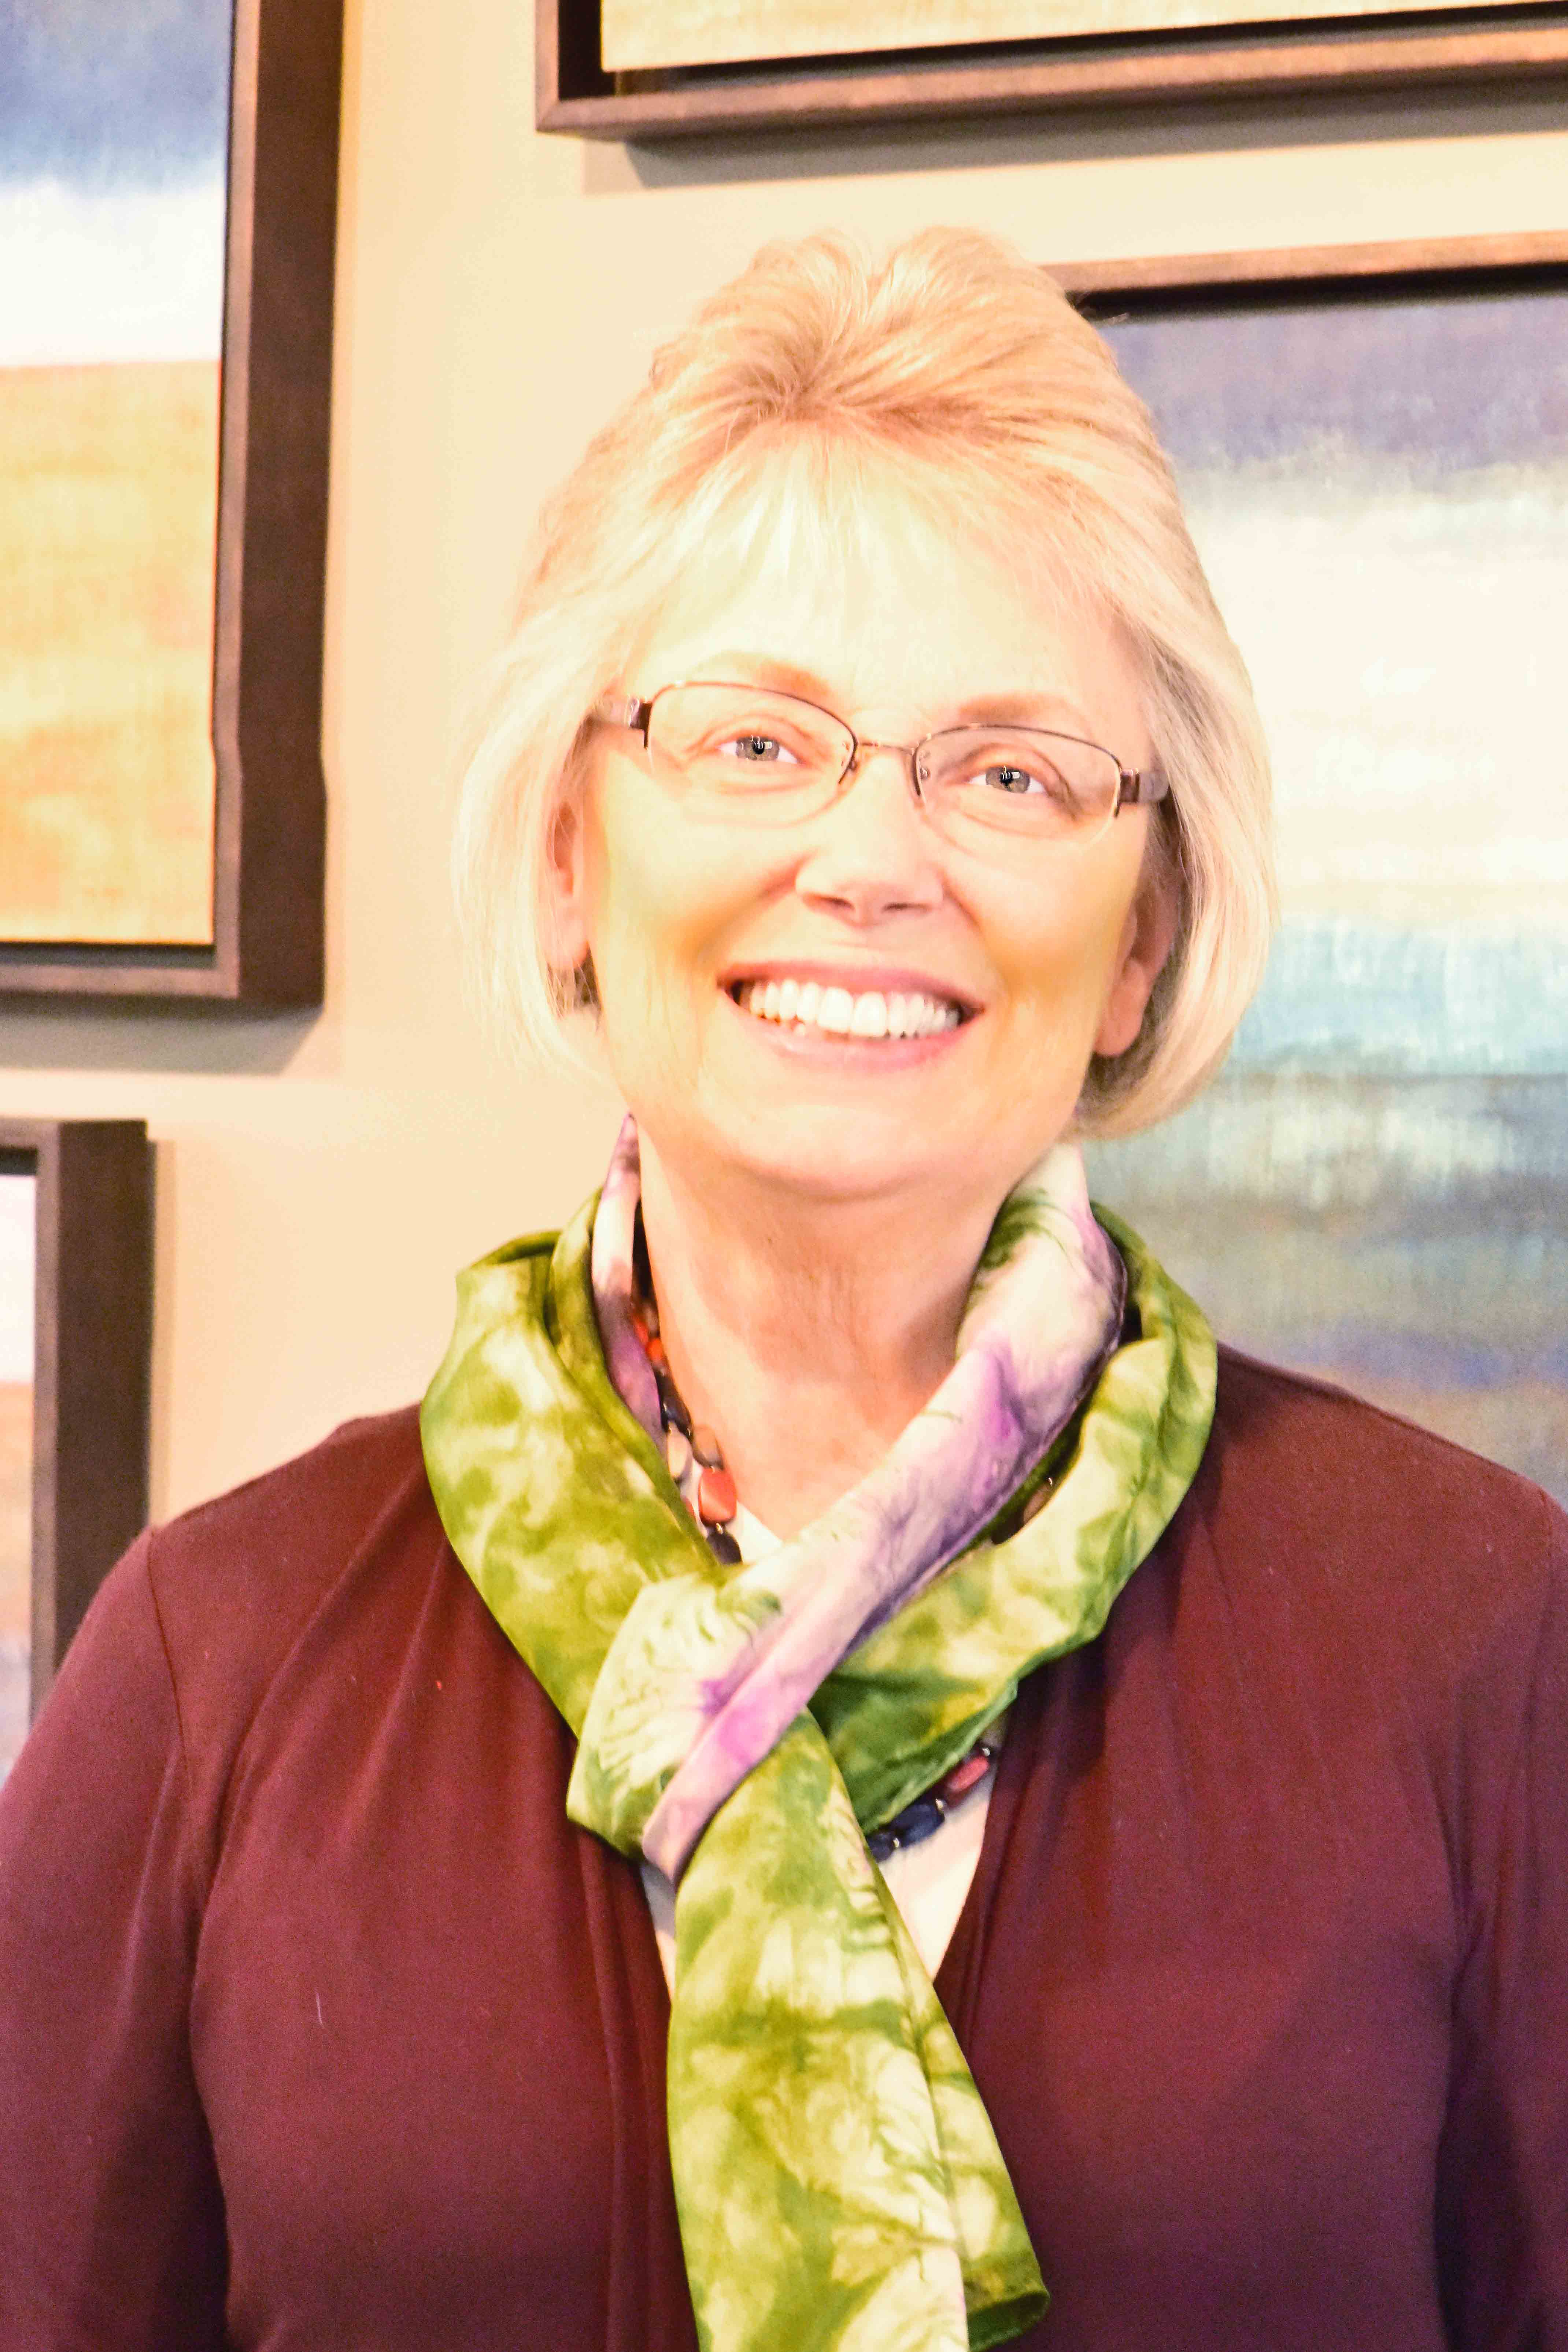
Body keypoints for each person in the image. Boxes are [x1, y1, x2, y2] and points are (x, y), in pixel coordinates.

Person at [1, 227, 1563, 2352]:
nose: (874, 861)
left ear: (1135, 936)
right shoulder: (222, 1664)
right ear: (572, 849)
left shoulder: (1470, 1634)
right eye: (752, 741)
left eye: (1009, 773)